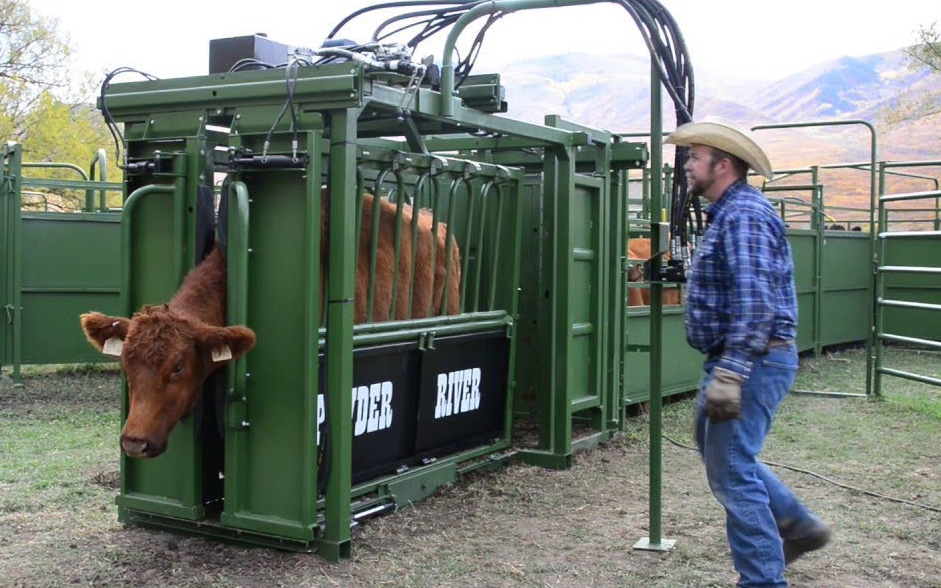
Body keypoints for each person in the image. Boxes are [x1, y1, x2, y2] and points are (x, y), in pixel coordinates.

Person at [665, 119, 831, 588]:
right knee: (718, 449)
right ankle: (798, 526)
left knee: (733, 472)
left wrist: (731, 374)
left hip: (751, 360)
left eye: (694, 157)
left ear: (724, 164)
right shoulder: (729, 214)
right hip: (740, 358)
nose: (687, 167)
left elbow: (755, 302)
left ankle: (763, 580)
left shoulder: (745, 216)